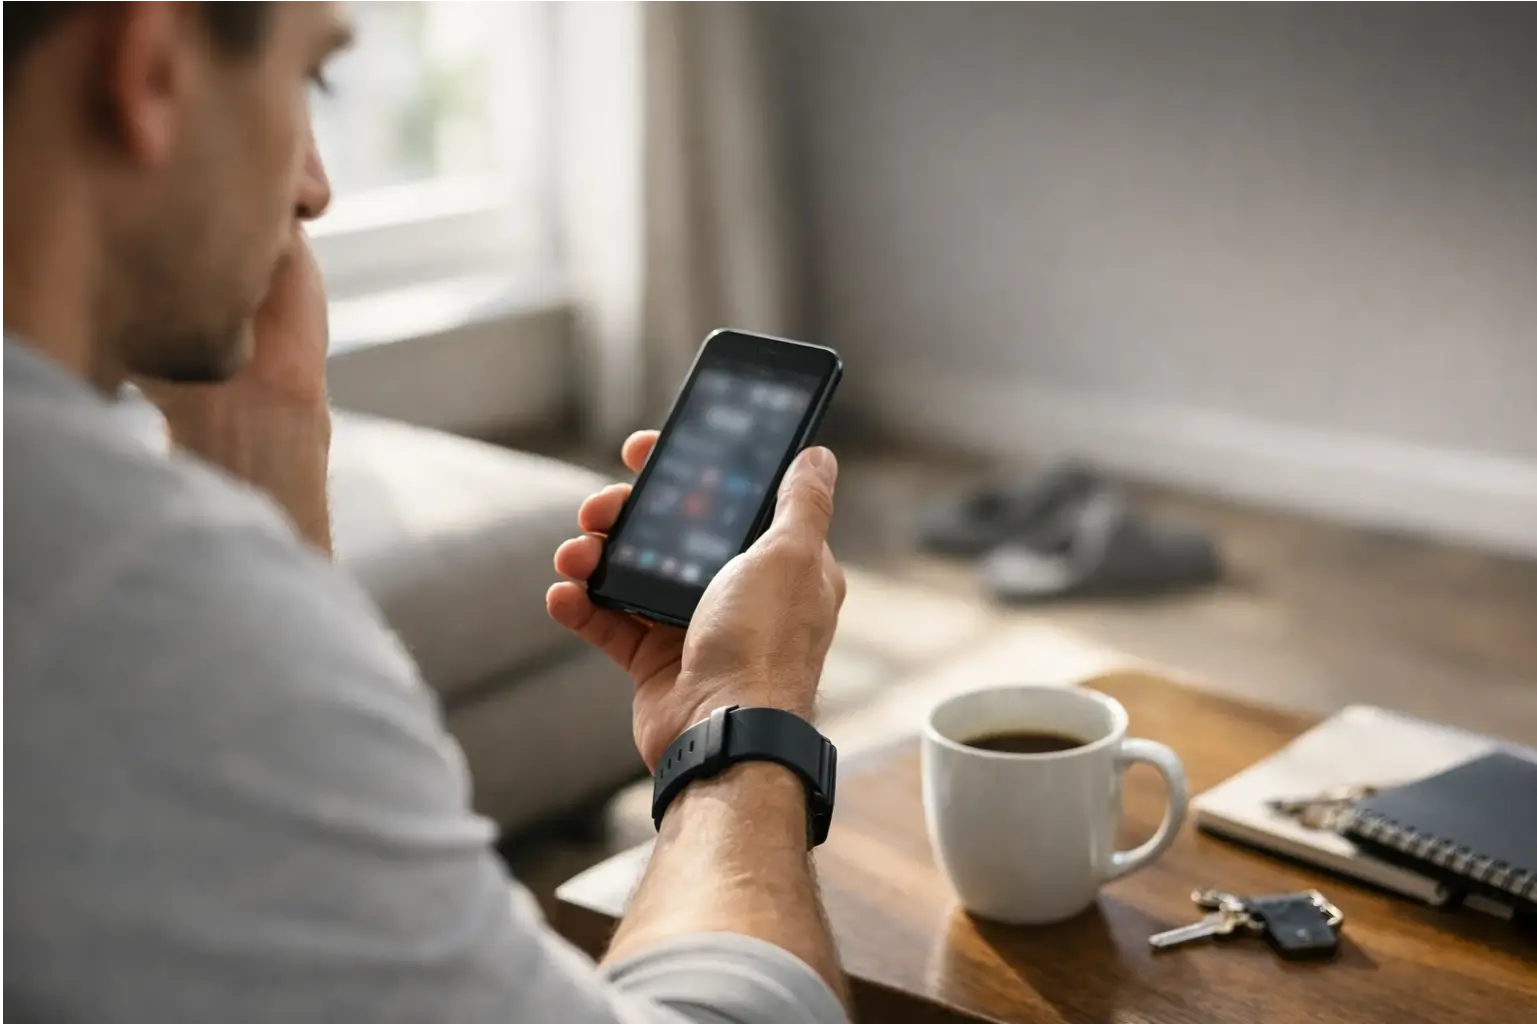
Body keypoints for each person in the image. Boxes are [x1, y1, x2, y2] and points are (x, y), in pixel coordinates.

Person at [0, 1, 851, 1021]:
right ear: (152, 68)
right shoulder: (109, 585)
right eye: (310, 78)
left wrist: (262, 436)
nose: (314, 188)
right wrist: (743, 714)